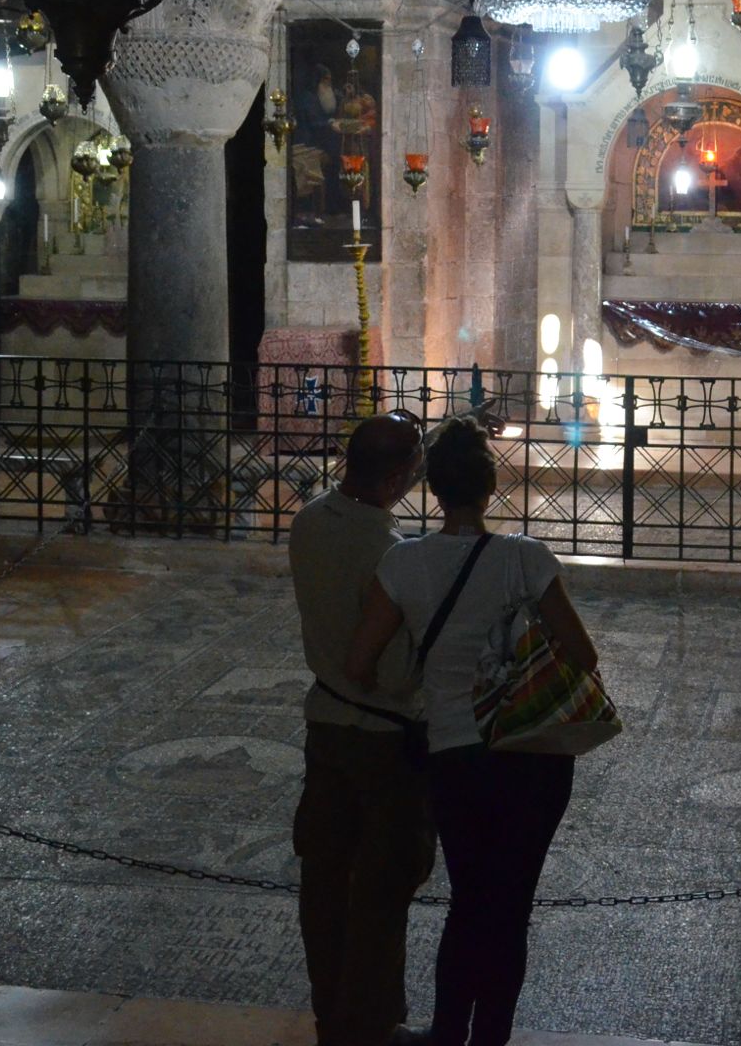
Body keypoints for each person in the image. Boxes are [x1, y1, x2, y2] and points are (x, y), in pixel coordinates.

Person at [346, 416, 599, 1046]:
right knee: (511, 905)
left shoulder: (403, 564)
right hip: (533, 755)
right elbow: (583, 655)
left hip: (456, 752)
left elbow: (359, 665)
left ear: (433, 489)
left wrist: (423, 689)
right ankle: (491, 1036)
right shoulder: (525, 557)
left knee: (468, 898)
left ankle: (448, 1033)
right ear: (488, 489)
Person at [289, 413, 437, 1046]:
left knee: (324, 883)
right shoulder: (391, 554)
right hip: (384, 742)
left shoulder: (307, 522)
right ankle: (374, 1027)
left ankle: (332, 1019)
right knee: (381, 890)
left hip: (325, 725)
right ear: (401, 476)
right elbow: (395, 672)